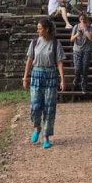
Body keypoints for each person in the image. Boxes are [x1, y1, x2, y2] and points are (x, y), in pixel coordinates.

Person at [22, 17, 66, 149]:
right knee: (35, 106)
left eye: (40, 28)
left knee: (49, 107)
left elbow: (59, 62)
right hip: (36, 75)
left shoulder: (55, 43)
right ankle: (37, 128)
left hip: (51, 76)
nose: (38, 30)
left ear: (47, 29)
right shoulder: (34, 42)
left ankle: (46, 136)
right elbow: (29, 60)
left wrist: (62, 79)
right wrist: (25, 77)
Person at [70, 12, 92, 94]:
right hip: (77, 50)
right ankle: (76, 78)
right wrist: (77, 34)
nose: (82, 20)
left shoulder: (89, 27)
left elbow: (91, 38)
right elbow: (71, 39)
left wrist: (85, 31)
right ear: (79, 19)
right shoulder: (76, 27)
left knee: (85, 69)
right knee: (77, 68)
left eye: (84, 19)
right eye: (81, 19)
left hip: (87, 50)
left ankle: (84, 86)